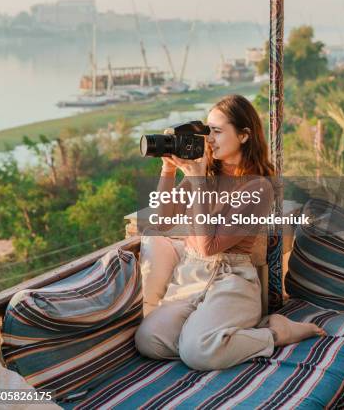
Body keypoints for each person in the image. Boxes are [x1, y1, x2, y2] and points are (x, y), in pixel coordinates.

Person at [135, 94, 324, 370]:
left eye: (217, 131)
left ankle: (275, 333)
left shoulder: (258, 188)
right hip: (190, 277)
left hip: (232, 280)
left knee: (197, 353)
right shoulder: (202, 174)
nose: (209, 139)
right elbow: (162, 223)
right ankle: (215, 336)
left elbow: (208, 247)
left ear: (244, 135)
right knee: (148, 340)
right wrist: (168, 169)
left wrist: (197, 182)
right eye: (207, 130)